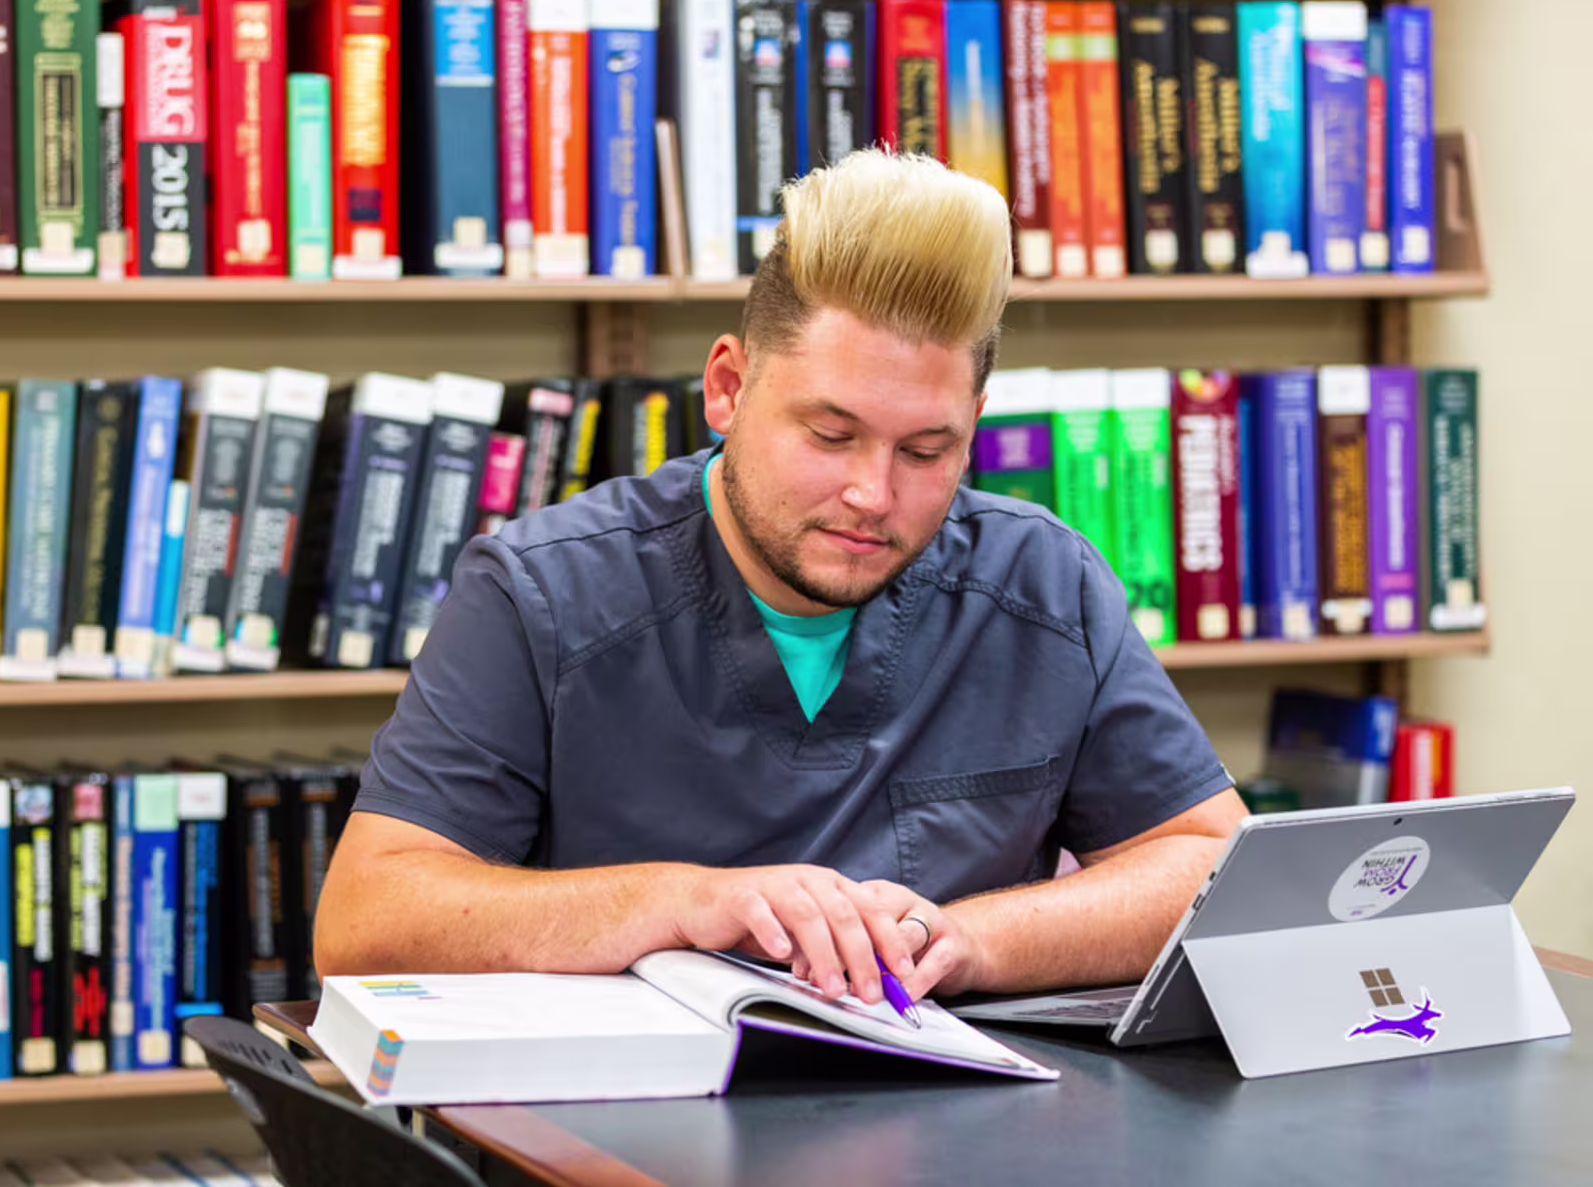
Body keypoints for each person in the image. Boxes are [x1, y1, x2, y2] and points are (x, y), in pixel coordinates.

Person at [315, 149, 1246, 1011]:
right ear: (728, 387)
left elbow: (1209, 864)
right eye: (829, 435)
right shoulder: (542, 593)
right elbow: (366, 922)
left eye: (927, 450)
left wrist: (967, 938)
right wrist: (682, 904)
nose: (871, 494)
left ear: (974, 423)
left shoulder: (1041, 582)